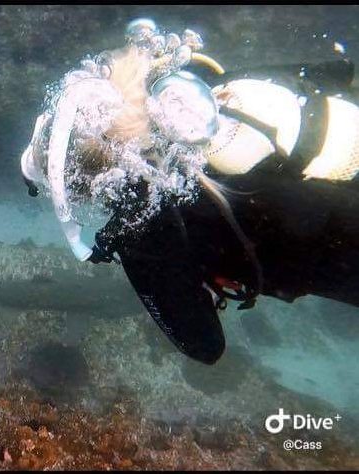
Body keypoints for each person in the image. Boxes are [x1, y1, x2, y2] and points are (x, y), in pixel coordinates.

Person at [20, 18, 359, 364]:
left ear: (89, 185)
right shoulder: (218, 93)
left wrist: (136, 251)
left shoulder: (142, 223)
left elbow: (205, 346)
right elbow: (340, 73)